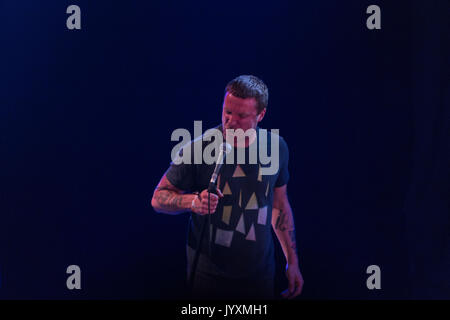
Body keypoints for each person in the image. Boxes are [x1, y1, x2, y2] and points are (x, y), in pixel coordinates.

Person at [151, 75, 304, 299]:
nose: (230, 121)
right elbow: (158, 198)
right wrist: (192, 201)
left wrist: (292, 262)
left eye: (241, 115)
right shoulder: (198, 148)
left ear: (261, 115)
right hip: (208, 280)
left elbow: (279, 206)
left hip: (260, 279)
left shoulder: (277, 148)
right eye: (227, 112)